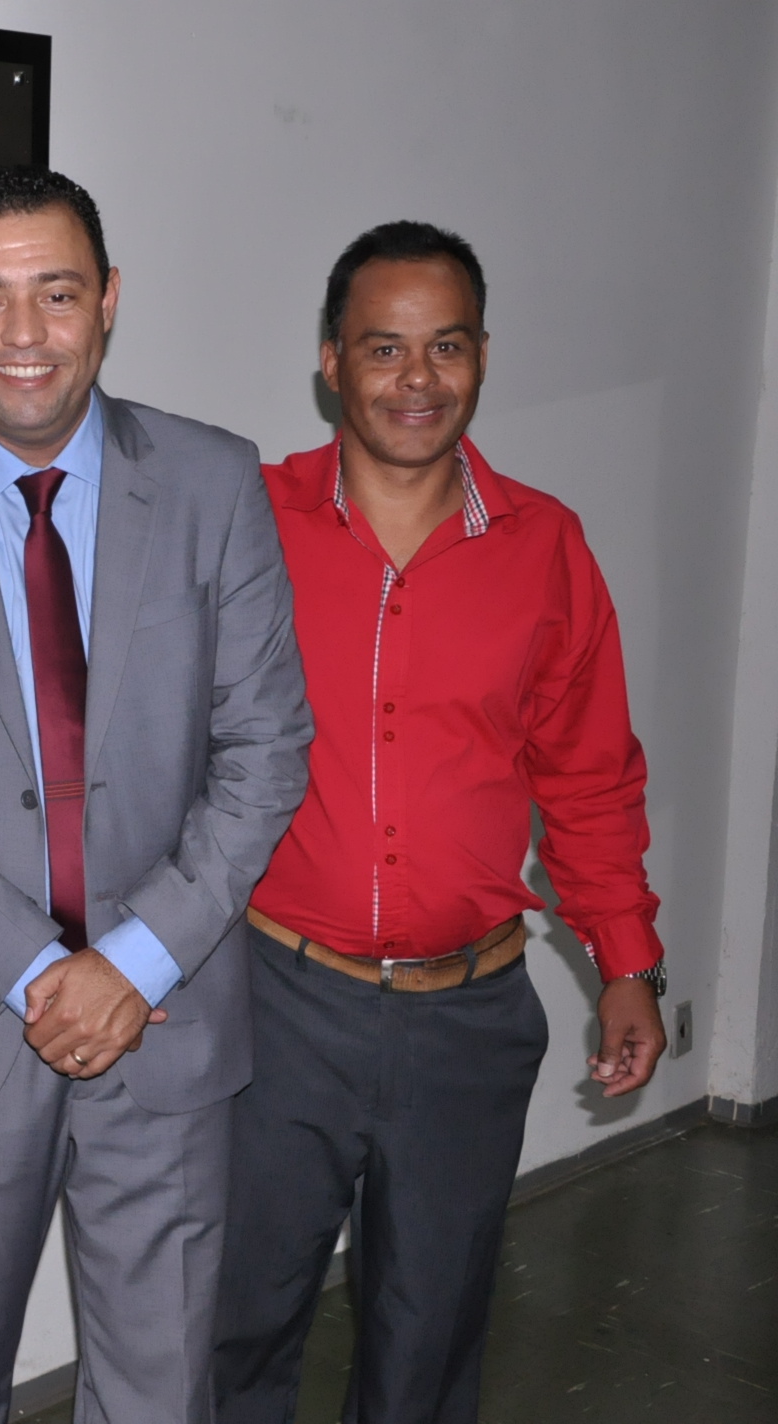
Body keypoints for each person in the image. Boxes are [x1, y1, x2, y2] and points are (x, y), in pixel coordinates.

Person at [0, 166, 313, 1424]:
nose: (22, 333)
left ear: (107, 301)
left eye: (56, 293)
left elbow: (264, 749)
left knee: (158, 1390)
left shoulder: (212, 482)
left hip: (169, 1019)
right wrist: (38, 971)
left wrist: (131, 961)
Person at [212, 222, 669, 1424]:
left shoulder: (545, 546)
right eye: (383, 347)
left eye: (445, 346)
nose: (416, 378)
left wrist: (626, 962)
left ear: (479, 357)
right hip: (274, 1005)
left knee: (426, 1342)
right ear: (330, 362)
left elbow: (586, 775)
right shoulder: (244, 522)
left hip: (466, 1022)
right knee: (233, 1327)